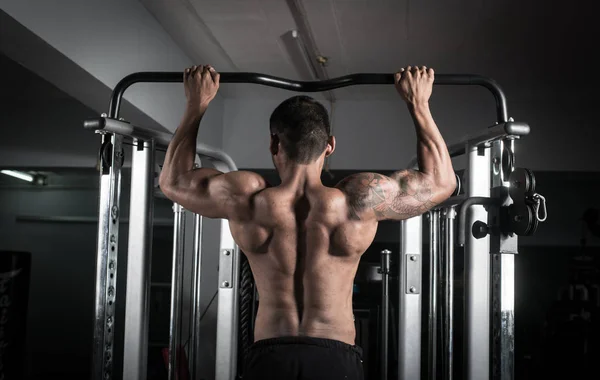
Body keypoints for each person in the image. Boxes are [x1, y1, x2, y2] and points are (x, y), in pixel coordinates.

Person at [159, 65, 456, 380]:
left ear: (275, 144)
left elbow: (173, 182)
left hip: (271, 356)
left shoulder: (246, 199)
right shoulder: (358, 200)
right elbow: (441, 183)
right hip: (335, 357)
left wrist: (196, 104)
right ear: (330, 145)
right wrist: (418, 103)